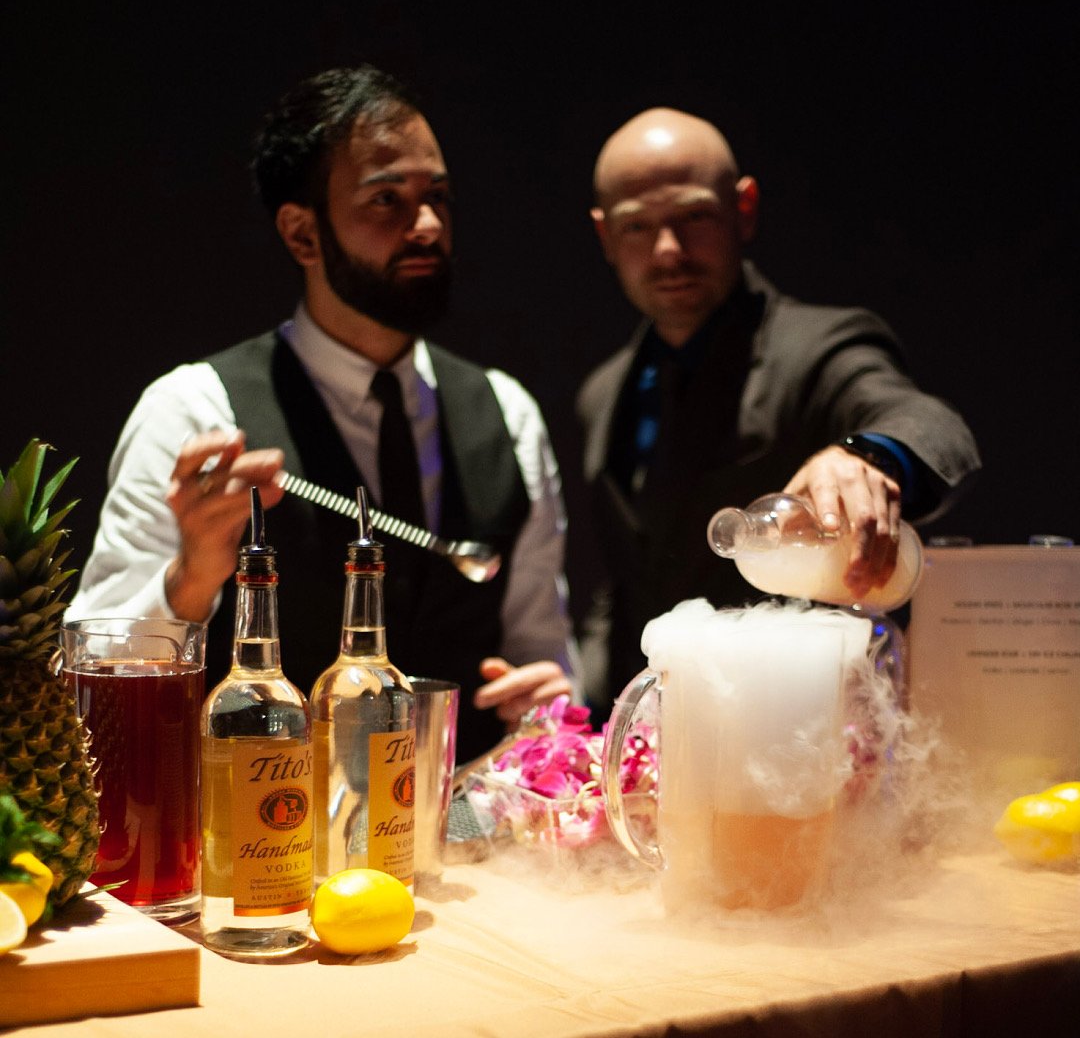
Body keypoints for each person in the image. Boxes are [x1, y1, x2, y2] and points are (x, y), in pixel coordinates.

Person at [67, 65, 578, 762]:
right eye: (386, 201)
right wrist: (187, 582)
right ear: (302, 234)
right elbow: (89, 684)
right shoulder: (193, 411)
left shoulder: (507, 413)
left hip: (464, 839)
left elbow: (542, 653)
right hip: (266, 844)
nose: (426, 225)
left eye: (437, 197)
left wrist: (545, 698)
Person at [577, 107, 981, 714]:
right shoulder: (601, 394)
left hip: (801, 740)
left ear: (744, 208)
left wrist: (866, 457)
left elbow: (927, 422)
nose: (668, 250)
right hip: (650, 751)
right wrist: (570, 685)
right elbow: (630, 586)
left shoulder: (821, 346)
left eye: (694, 216)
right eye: (638, 226)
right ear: (605, 235)